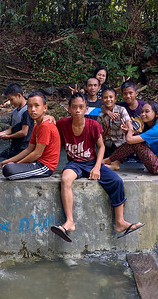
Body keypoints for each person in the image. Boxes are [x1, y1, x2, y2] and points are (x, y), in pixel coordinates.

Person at [52, 92, 144, 242]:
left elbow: (101, 147)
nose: (77, 110)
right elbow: (49, 126)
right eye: (74, 107)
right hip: (74, 163)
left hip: (91, 162)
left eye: (81, 107)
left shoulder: (93, 125)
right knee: (65, 180)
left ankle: (120, 223)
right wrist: (49, 118)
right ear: (69, 108)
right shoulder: (62, 124)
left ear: (86, 108)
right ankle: (69, 222)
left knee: (117, 181)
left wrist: (96, 167)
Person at [0, 92, 60, 180]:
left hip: (45, 167)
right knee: (7, 166)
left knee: (8, 170)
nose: (33, 109)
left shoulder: (46, 125)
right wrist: (10, 160)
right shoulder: (37, 126)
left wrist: (17, 164)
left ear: (45, 108)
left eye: (36, 106)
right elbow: (29, 149)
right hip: (37, 162)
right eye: (30, 106)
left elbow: (37, 153)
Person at [103, 101, 158, 174]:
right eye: (142, 111)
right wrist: (128, 131)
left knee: (135, 143)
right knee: (135, 139)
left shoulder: (156, 130)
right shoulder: (155, 126)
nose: (143, 114)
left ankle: (109, 160)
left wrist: (130, 127)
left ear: (157, 114)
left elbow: (130, 140)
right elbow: (134, 139)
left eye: (147, 112)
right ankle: (114, 162)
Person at [0, 83, 34, 159]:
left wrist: (9, 137)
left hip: (24, 148)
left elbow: (24, 132)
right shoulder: (15, 111)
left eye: (11, 99)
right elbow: (10, 130)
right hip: (14, 147)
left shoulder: (27, 111)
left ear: (19, 95)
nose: (11, 103)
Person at [97, 87, 131, 158]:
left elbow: (128, 121)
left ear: (115, 99)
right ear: (102, 100)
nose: (108, 99)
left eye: (111, 97)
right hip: (107, 145)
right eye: (105, 97)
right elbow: (100, 133)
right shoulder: (101, 116)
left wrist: (127, 129)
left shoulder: (121, 110)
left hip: (120, 145)